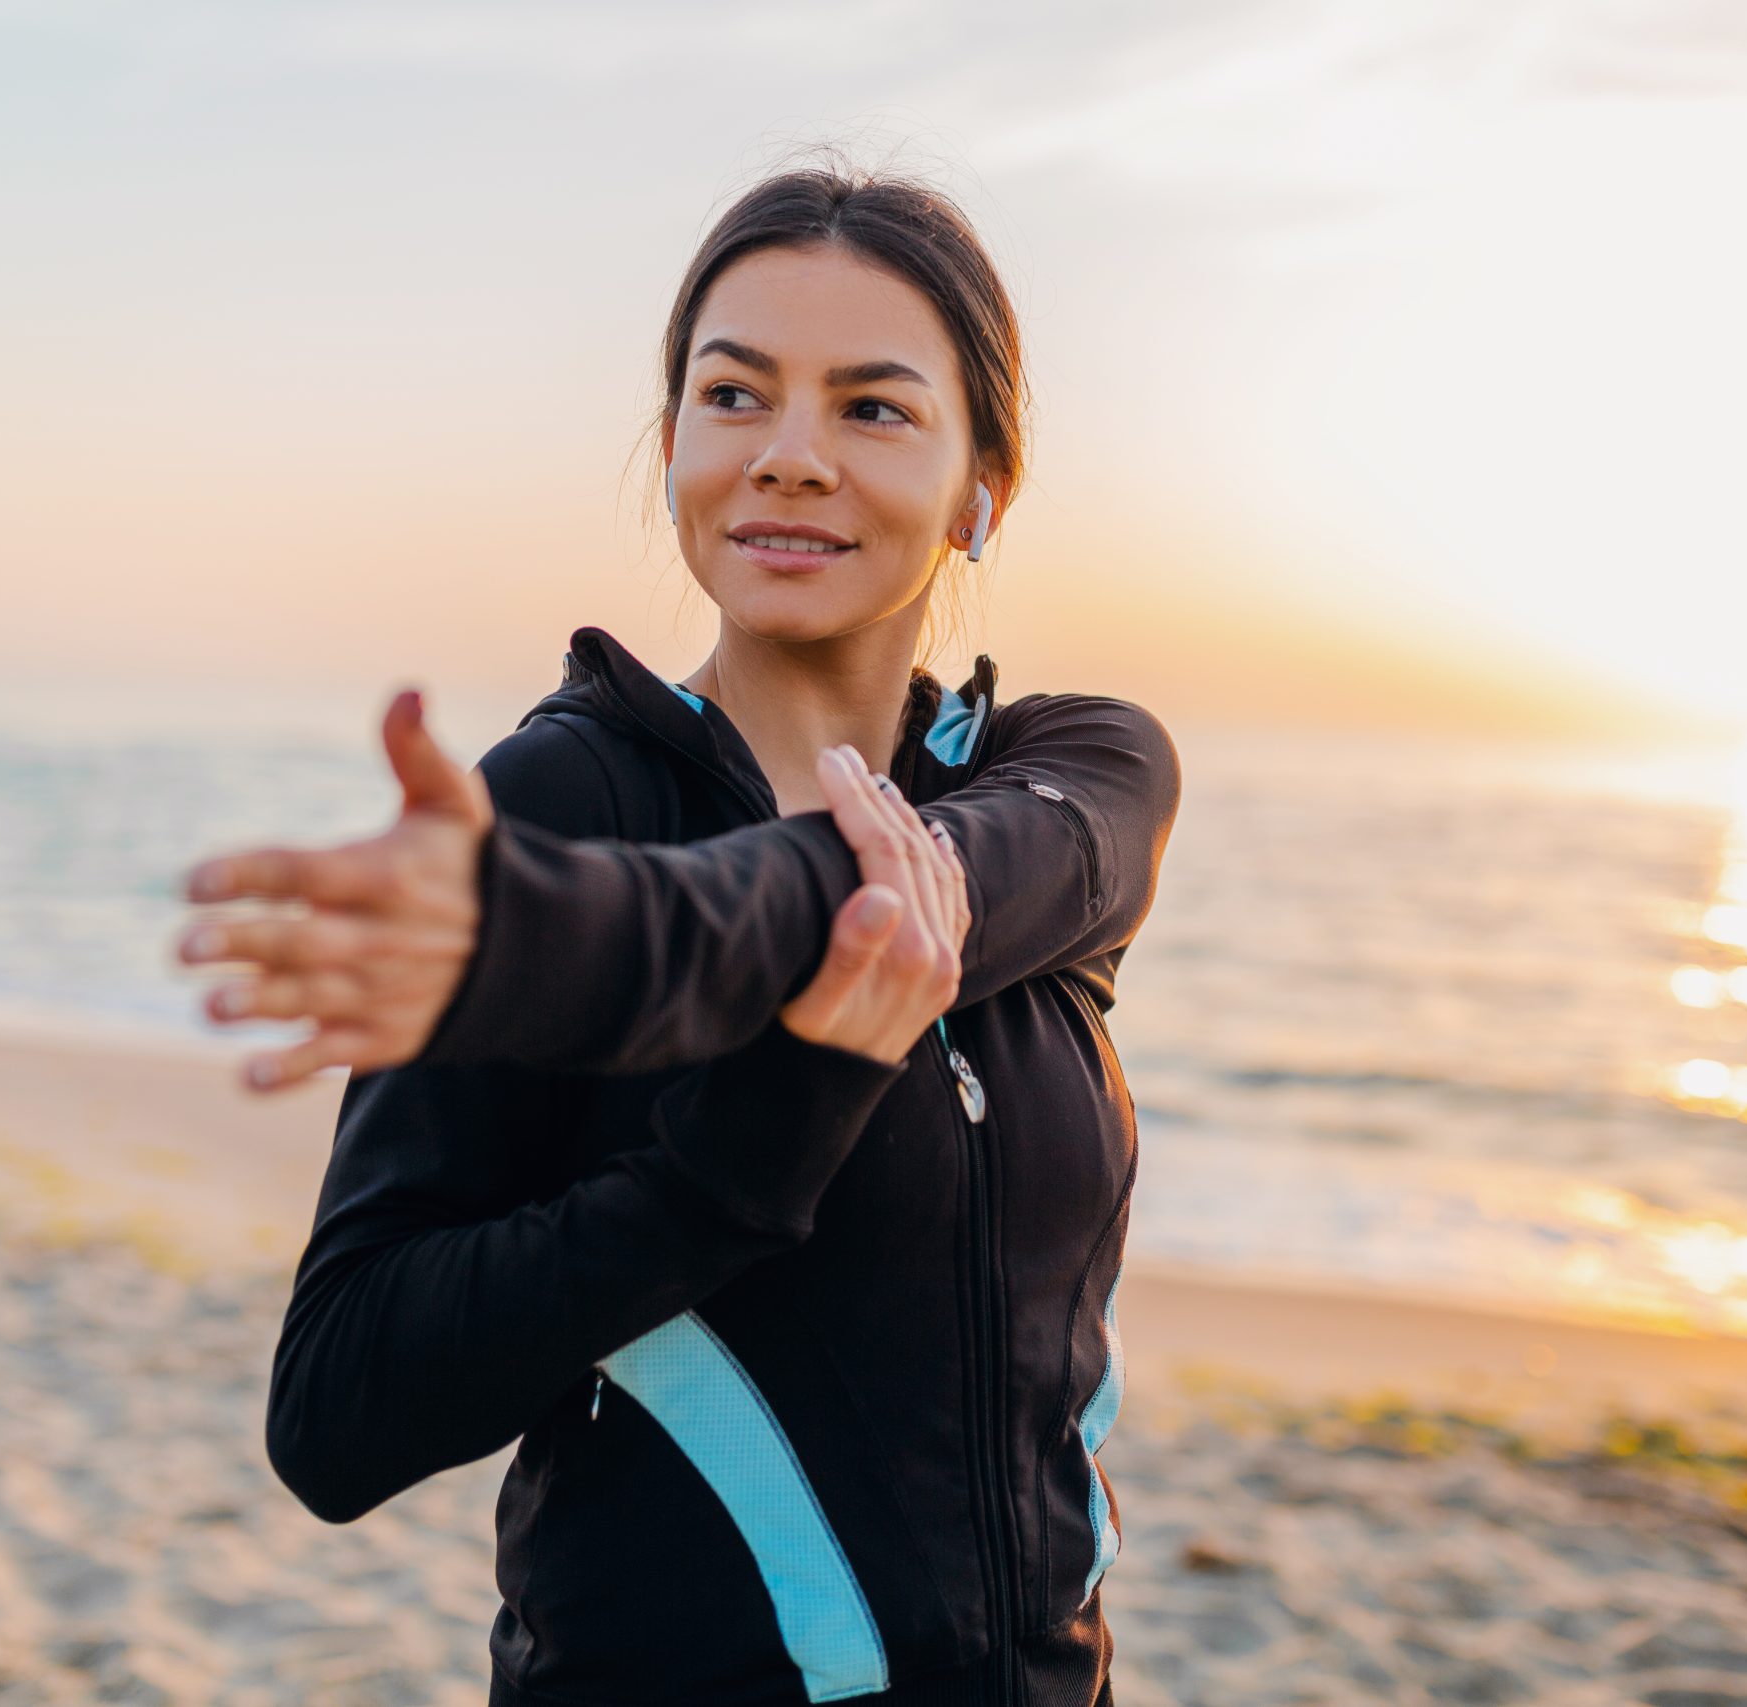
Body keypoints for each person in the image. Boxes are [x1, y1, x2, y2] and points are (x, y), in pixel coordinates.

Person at [174, 163, 1181, 1706]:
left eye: (873, 408)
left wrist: (559, 934)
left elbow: (835, 894)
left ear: (986, 483)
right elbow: (337, 1408)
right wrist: (744, 1146)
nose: (789, 457)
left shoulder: (1073, 777)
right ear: (672, 453)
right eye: (735, 396)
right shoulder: (556, 807)